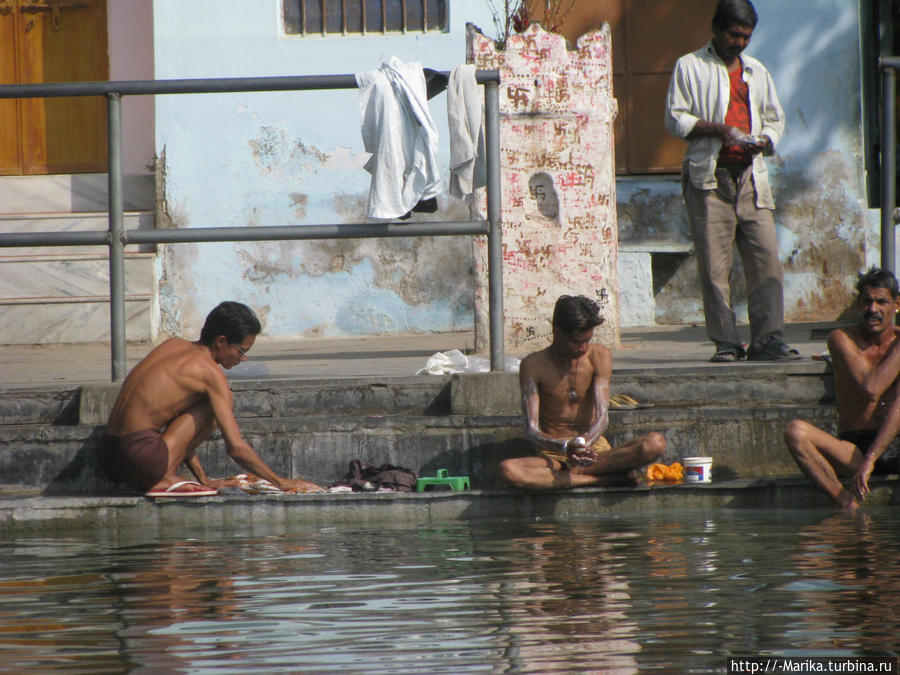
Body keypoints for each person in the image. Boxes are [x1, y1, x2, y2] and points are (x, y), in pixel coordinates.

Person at [665, 0, 800, 363]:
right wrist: (720, 130)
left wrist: (765, 140)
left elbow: (775, 118)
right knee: (714, 267)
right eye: (734, 34)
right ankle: (726, 342)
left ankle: (767, 340)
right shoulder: (690, 66)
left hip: (752, 177)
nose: (740, 42)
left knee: (766, 262)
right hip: (710, 178)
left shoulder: (756, 71)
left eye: (746, 37)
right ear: (716, 29)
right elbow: (675, 119)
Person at [98, 301, 323, 496]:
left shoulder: (172, 345)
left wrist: (204, 479)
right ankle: (163, 478)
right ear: (221, 341)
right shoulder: (210, 374)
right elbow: (235, 447)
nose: (243, 359)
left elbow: (181, 431)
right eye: (241, 351)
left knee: (210, 403)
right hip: (141, 462)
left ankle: (166, 475)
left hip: (109, 458)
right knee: (223, 400)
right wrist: (281, 482)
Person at [498, 295, 666, 490]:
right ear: (557, 332)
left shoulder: (599, 355)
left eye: (587, 340)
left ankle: (573, 475)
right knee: (508, 470)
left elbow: (603, 417)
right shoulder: (533, 364)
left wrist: (585, 444)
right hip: (555, 456)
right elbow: (532, 430)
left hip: (596, 452)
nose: (583, 347)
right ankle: (601, 480)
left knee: (655, 443)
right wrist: (565, 447)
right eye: (577, 342)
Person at [784, 268, 900, 512]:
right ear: (859, 304)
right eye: (867, 301)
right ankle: (847, 505)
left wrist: (872, 459)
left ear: (896, 305)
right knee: (796, 432)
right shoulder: (841, 338)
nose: (873, 309)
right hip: (854, 448)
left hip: (894, 439)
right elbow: (871, 388)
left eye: (881, 302)